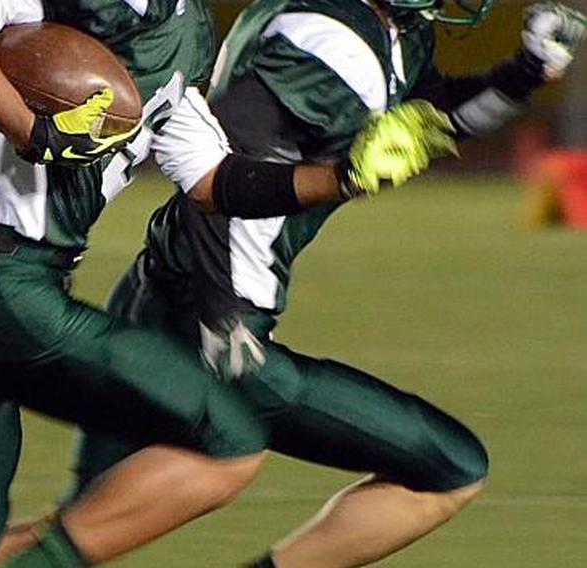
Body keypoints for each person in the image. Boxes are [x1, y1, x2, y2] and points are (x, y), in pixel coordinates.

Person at [0, 1, 457, 567]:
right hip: (2, 287)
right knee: (228, 440)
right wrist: (28, 128)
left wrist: (345, 178)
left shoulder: (186, 32)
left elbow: (215, 182)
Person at [63, 1, 586, 567]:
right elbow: (217, 165)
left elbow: (432, 121)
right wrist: (220, 313)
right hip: (219, 319)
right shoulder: (327, 38)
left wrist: (525, 73)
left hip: (162, 288)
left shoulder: (390, 31)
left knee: (78, 532)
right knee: (448, 469)